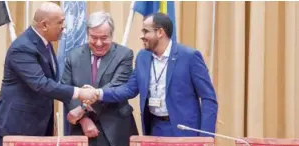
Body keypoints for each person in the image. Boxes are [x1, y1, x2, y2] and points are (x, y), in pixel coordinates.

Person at [0, 2, 99, 146]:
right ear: (44, 25)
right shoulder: (23, 47)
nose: (64, 26)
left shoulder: (45, 42)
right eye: (60, 22)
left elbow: (53, 83)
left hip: (37, 124)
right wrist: (79, 93)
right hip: (16, 126)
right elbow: (41, 84)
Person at [84, 12, 218, 137]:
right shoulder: (143, 57)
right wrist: (98, 93)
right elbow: (129, 89)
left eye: (146, 31)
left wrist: (205, 137)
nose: (142, 36)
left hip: (185, 131)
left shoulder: (189, 57)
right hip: (155, 129)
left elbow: (208, 98)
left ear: (160, 32)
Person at [61, 11, 138, 146]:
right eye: (94, 37)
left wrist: (82, 107)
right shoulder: (73, 56)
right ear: (87, 34)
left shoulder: (124, 55)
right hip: (80, 130)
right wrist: (83, 119)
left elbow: (116, 86)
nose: (98, 43)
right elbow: (66, 90)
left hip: (115, 129)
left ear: (112, 35)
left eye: (104, 38)